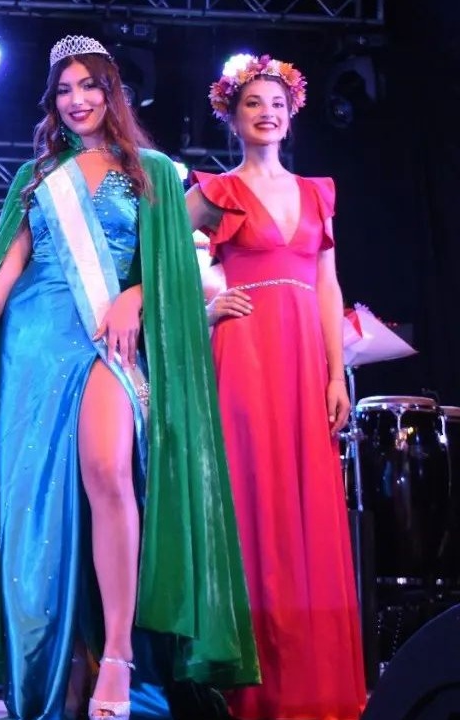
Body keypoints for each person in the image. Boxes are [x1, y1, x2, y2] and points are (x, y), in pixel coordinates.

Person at [0, 35, 258, 720]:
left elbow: (171, 265)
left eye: (89, 86)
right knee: (43, 507)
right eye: (64, 89)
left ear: (114, 93)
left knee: (110, 471)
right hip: (35, 343)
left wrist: (136, 296)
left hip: (109, 334)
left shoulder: (153, 171)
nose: (76, 100)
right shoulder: (37, 178)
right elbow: (5, 271)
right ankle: (64, 662)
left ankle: (118, 653)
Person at [187, 54, 365, 720]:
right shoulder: (216, 190)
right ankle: (248, 683)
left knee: (308, 503)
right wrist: (205, 308)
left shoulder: (319, 192)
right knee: (252, 498)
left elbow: (328, 285)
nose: (267, 113)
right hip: (245, 352)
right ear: (232, 116)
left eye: (277, 104)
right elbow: (155, 260)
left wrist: (335, 372)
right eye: (253, 103)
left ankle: (313, 681)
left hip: (304, 358)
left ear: (291, 116)